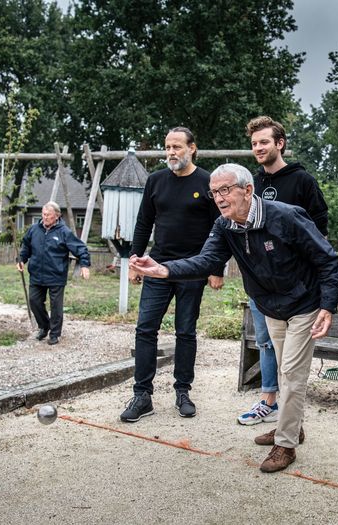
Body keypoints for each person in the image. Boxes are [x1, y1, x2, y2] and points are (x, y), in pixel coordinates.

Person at [129, 163, 338, 473]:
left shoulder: (286, 216)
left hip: (303, 304)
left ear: (248, 190)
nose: (219, 198)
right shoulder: (224, 225)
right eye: (215, 192)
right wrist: (165, 269)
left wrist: (327, 306)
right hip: (271, 306)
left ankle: (285, 445)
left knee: (292, 376)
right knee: (285, 370)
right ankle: (293, 426)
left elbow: (328, 259)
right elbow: (207, 260)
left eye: (225, 190)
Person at [120, 127, 224, 423]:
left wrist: (215, 268)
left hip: (193, 270)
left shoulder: (207, 182)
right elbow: (143, 223)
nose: (171, 152)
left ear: (192, 148)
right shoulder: (156, 181)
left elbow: (220, 227)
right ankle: (142, 395)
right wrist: (135, 262)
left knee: (185, 331)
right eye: (167, 147)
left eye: (177, 146)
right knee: (145, 329)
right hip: (157, 266)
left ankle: (182, 391)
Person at [238, 116, 330, 426]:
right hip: (262, 283)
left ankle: (288, 422)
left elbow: (319, 230)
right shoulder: (253, 184)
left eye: (264, 142)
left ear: (280, 143)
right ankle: (269, 401)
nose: (258, 148)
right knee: (265, 342)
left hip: (296, 287)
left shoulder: (302, 181)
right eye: (254, 144)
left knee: (291, 359)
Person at [17, 201, 91, 345]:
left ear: (56, 216)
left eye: (48, 215)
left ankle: (55, 334)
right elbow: (26, 246)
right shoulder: (34, 229)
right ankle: (44, 326)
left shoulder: (64, 232)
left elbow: (81, 248)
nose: (44, 217)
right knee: (34, 301)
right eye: (43, 214)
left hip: (56, 275)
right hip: (37, 274)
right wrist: (21, 260)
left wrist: (84, 265)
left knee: (56, 306)